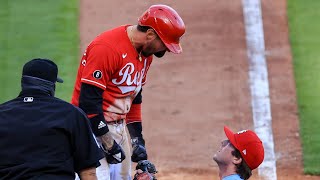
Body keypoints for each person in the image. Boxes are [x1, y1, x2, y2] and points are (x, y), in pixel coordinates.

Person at [71, 4, 186, 180]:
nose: (164, 51)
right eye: (164, 44)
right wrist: (108, 143)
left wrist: (137, 141)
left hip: (118, 129)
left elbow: (134, 97)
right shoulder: (107, 48)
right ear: (150, 34)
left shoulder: (145, 54)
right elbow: (88, 104)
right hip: (90, 130)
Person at [0, 58, 104, 180]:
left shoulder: (2, 113)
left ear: (23, 82)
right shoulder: (72, 114)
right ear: (51, 85)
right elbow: (88, 173)